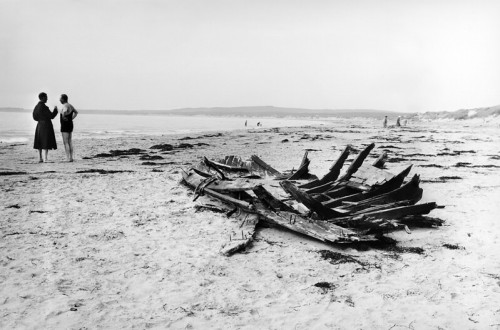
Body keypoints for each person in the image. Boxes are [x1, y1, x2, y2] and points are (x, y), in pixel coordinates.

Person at [33, 92, 58, 162]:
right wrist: (55, 110)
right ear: (43, 98)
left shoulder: (36, 106)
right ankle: (46, 158)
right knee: (46, 141)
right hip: (46, 125)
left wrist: (40, 119)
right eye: (46, 97)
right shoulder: (44, 107)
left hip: (39, 125)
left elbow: (34, 117)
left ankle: (40, 158)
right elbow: (51, 116)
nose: (47, 98)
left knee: (39, 141)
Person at [59, 94, 78, 162]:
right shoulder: (71, 105)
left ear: (63, 99)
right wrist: (71, 118)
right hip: (70, 124)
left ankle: (67, 158)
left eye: (60, 99)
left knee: (65, 142)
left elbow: (64, 111)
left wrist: (64, 117)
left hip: (65, 125)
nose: (59, 100)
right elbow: (76, 112)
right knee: (70, 141)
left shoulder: (65, 105)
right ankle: (71, 157)